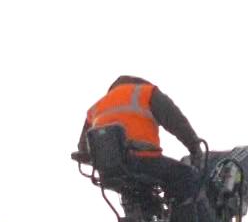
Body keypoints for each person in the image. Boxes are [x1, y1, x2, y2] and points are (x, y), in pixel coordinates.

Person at [76, 76, 204, 196]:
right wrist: (194, 148)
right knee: (187, 176)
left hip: (109, 172)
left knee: (140, 197)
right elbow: (176, 122)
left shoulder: (96, 107)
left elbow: (83, 147)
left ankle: (141, 216)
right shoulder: (146, 92)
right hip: (144, 161)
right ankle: (189, 219)